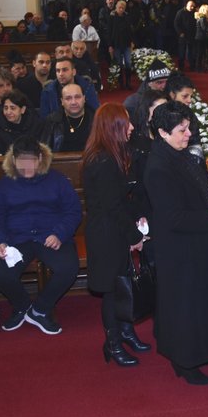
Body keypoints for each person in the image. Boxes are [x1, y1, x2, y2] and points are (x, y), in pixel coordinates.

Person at [144, 101, 208, 384]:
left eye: (188, 127)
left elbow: (196, 186)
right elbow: (174, 218)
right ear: (162, 132)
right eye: (181, 130)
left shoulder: (176, 153)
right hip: (180, 249)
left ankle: (196, 352)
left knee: (198, 302)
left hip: (194, 244)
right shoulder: (158, 167)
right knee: (184, 306)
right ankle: (185, 360)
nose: (188, 134)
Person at [0, 136, 81, 335]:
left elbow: (73, 211)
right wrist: (0, 241)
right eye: (22, 162)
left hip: (50, 235)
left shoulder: (57, 180)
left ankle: (40, 309)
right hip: (16, 238)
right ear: (14, 160)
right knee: (0, 272)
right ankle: (22, 306)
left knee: (68, 267)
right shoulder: (4, 185)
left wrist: (60, 234)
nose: (27, 167)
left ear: (40, 159)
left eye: (31, 161)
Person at [81, 104, 150, 367]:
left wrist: (137, 218)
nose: (131, 127)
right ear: (112, 127)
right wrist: (135, 235)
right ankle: (112, 343)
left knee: (122, 286)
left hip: (113, 230)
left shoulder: (111, 153)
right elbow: (113, 206)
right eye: (126, 123)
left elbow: (123, 199)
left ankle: (125, 332)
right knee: (112, 291)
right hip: (106, 234)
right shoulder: (103, 161)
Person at [42, 83, 95, 152]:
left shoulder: (96, 118)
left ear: (84, 99)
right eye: (68, 98)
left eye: (77, 97)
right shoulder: (52, 121)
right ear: (62, 101)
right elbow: (45, 150)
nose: (73, 102)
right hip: (59, 161)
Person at [0, 90, 43, 154]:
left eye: (13, 108)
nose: (8, 112)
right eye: (6, 108)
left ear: (22, 110)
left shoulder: (35, 123)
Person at [108, 0, 135, 88]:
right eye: (119, 8)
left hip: (126, 43)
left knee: (128, 62)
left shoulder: (127, 17)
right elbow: (110, 32)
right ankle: (121, 83)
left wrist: (131, 42)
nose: (121, 9)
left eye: (123, 8)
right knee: (119, 63)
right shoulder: (112, 17)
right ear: (116, 8)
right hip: (116, 43)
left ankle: (128, 82)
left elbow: (130, 30)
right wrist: (110, 45)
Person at [194, 3, 208, 73]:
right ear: (205, 10)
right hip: (201, 37)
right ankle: (198, 68)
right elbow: (204, 28)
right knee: (200, 53)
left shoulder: (201, 17)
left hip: (200, 37)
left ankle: (200, 66)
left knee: (201, 53)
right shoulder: (202, 17)